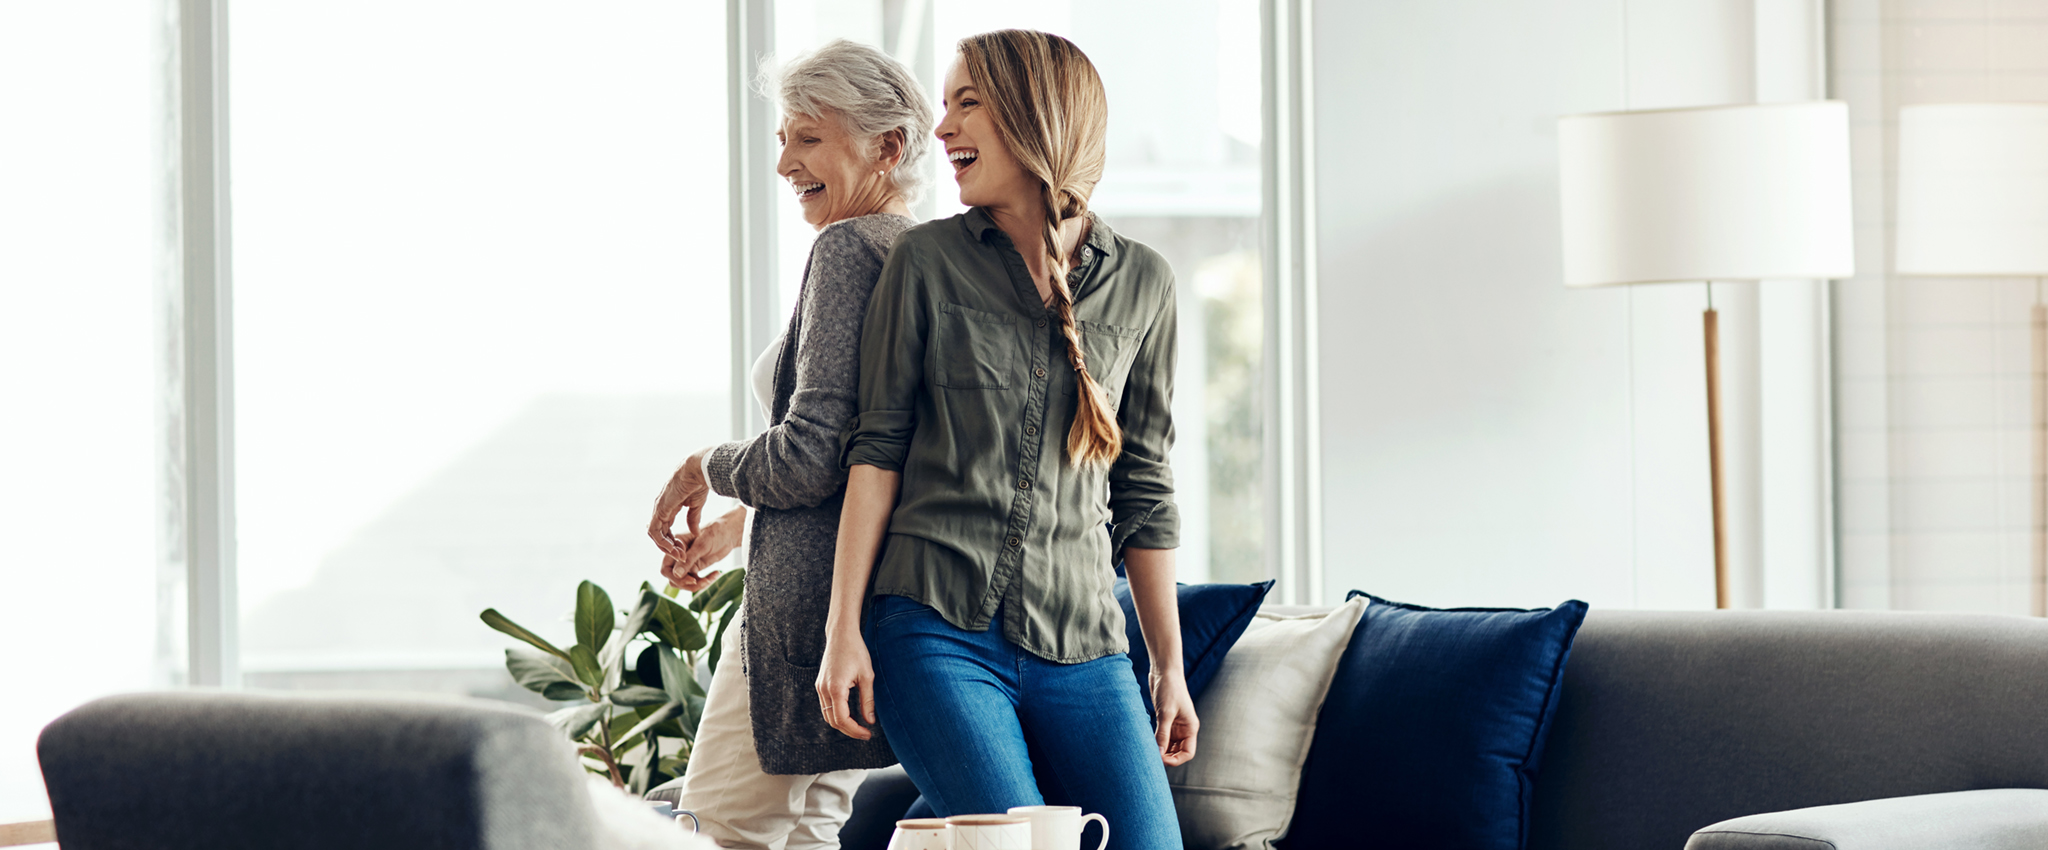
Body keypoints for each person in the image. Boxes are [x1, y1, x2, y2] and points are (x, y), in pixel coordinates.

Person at [818, 29, 1193, 850]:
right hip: (935, 632)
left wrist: (1167, 665)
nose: (943, 128)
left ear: (1034, 115)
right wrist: (841, 628)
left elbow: (1146, 491)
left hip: (1087, 647)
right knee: (1016, 843)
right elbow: (875, 453)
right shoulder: (924, 264)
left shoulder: (1145, 285)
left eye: (966, 103)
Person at [645, 39, 933, 850]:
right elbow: (863, 464)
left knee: (719, 834)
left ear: (888, 146)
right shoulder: (918, 257)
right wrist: (742, 530)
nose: (784, 164)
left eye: (808, 137)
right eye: (781, 139)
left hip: (805, 622)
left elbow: (807, 455)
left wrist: (703, 465)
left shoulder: (847, 250)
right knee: (807, 834)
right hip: (859, 613)